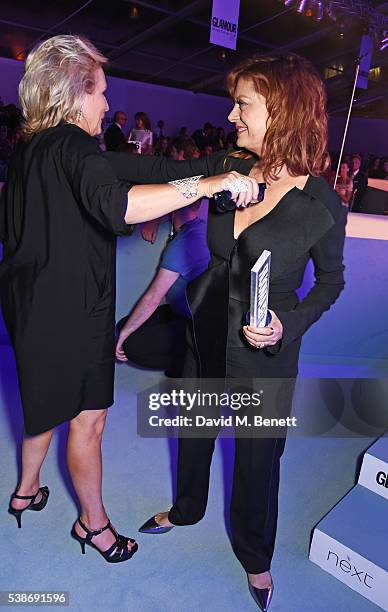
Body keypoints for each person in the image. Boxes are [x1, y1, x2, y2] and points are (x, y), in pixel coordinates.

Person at [106, 52, 347, 609]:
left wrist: (290, 323)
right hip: (203, 331)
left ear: (282, 111)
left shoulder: (321, 202)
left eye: (243, 104)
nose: (231, 114)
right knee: (193, 436)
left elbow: (331, 281)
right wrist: (82, 152)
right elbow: (152, 174)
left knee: (258, 462)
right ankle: (187, 508)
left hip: (265, 356)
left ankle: (256, 558)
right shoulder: (228, 163)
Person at [0, 35, 248, 565]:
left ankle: (25, 491)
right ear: (75, 93)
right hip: (75, 311)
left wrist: (223, 162)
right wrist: (208, 187)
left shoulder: (33, 150)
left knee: (42, 407)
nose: (108, 104)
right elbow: (122, 207)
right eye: (102, 92)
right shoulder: (74, 147)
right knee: (87, 422)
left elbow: (152, 170)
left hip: (30, 309)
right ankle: (94, 526)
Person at [115, 202, 209, 376]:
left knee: (130, 344)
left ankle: (193, 362)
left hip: (197, 322)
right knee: (123, 325)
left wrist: (124, 334)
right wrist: (154, 220)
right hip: (186, 309)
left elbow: (153, 298)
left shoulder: (182, 244)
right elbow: (181, 210)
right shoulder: (199, 227)